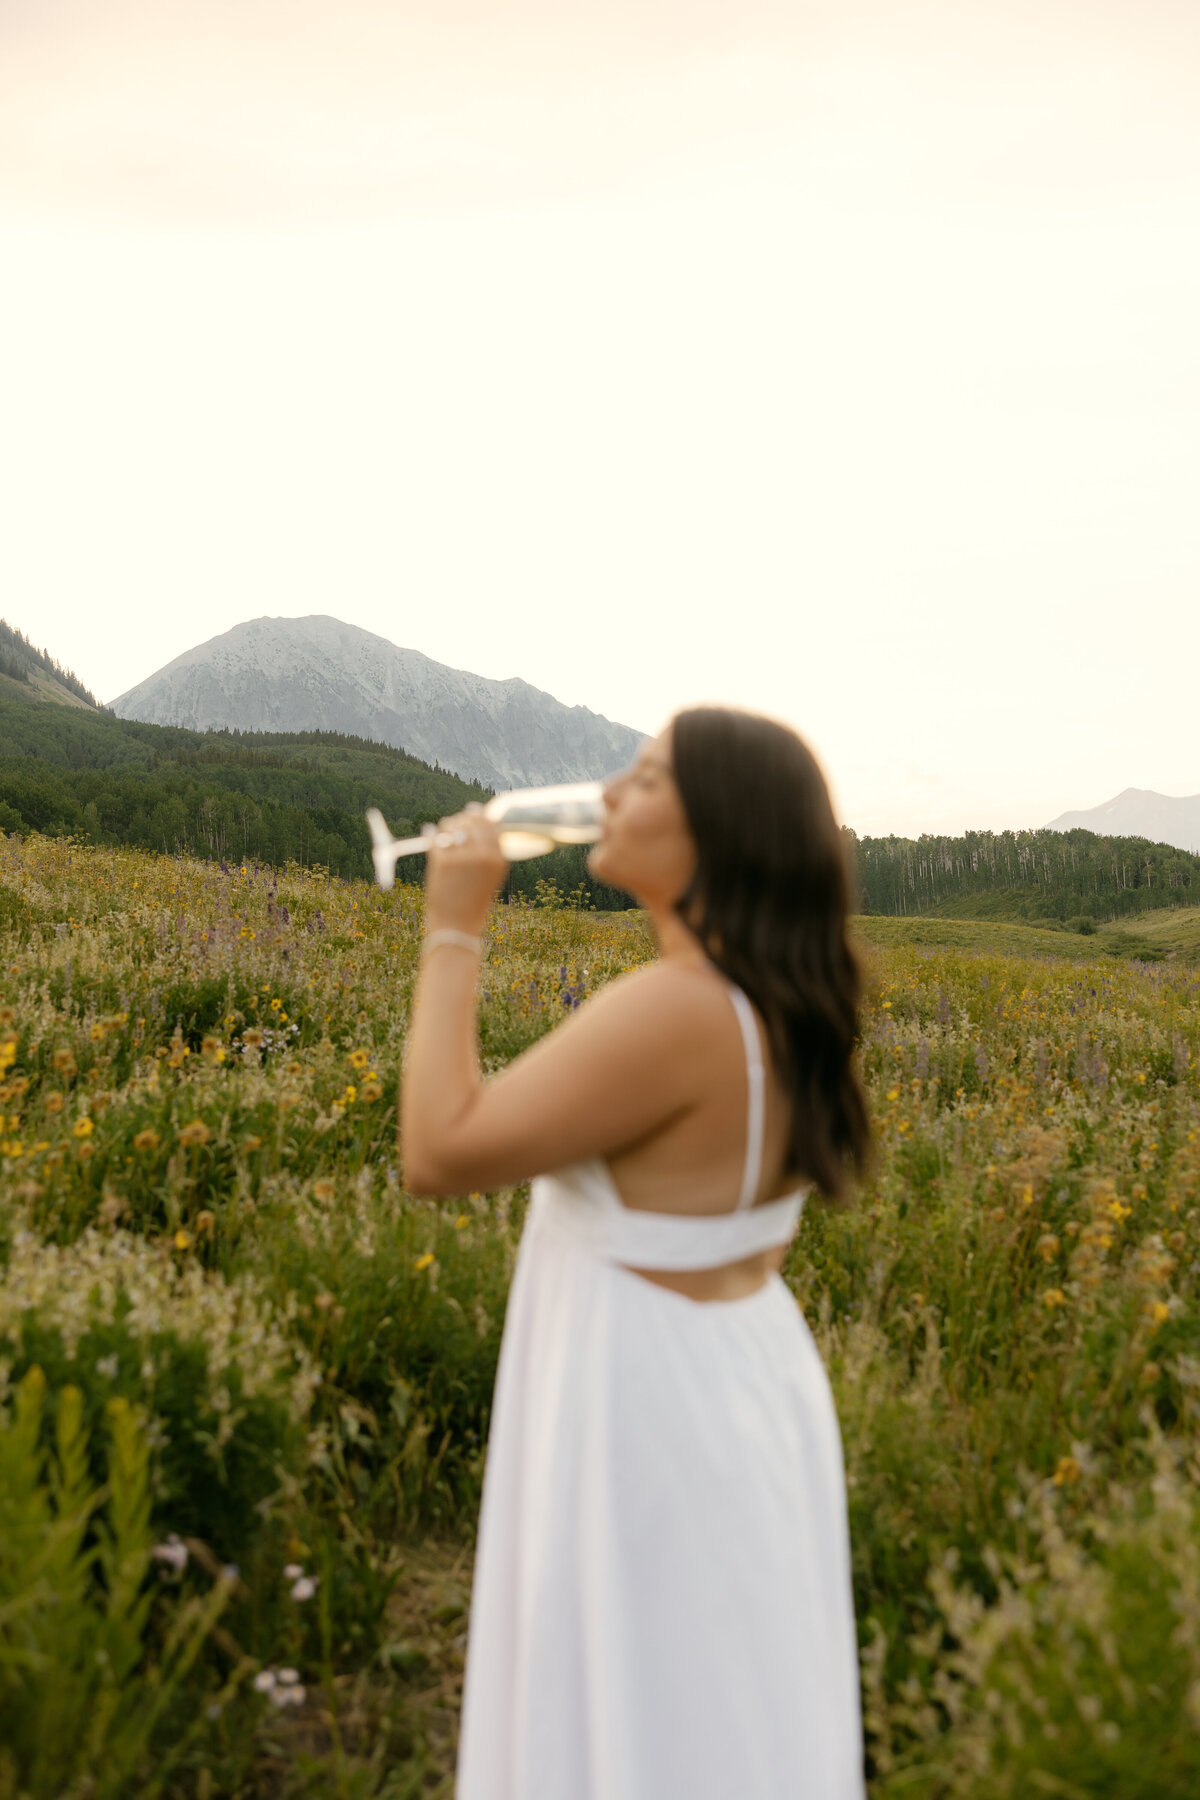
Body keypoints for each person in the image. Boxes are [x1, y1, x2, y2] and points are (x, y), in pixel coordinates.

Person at [402, 705, 870, 1800]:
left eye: (648, 777)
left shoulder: (683, 1009)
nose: (609, 791)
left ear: (720, 829)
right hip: (740, 1387)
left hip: (646, 1408)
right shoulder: (783, 1002)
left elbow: (438, 1147)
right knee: (711, 1708)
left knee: (640, 1709)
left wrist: (454, 924)